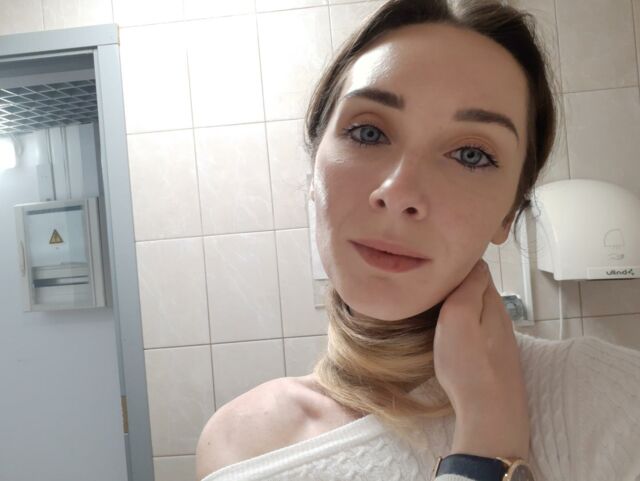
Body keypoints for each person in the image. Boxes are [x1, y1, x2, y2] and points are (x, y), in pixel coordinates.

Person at [195, 1, 640, 480]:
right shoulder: (239, 447)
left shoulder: (611, 402)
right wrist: (488, 443)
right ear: (314, 165)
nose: (400, 192)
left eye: (471, 155)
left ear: (509, 213)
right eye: (368, 132)